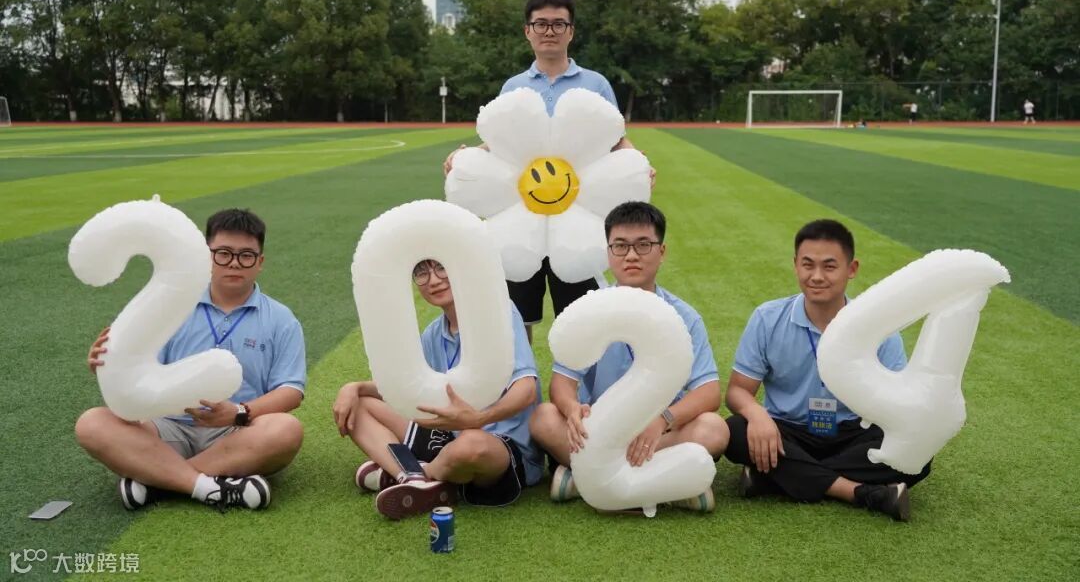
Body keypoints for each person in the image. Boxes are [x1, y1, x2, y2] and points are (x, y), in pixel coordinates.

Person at [444, 0, 650, 343]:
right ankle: (519, 379)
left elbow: (615, 139)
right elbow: (503, 145)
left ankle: (581, 380)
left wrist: (639, 164)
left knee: (584, 319)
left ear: (571, 31)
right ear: (528, 31)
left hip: (576, 220)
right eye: (541, 24)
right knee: (515, 319)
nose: (549, 31)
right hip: (521, 221)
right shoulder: (513, 87)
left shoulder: (596, 84)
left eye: (558, 24)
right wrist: (465, 158)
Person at [76, 209, 306, 511]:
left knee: (286, 430)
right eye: (224, 253)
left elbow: (291, 390)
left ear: (260, 262)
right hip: (167, 428)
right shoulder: (172, 307)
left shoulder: (281, 319)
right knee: (92, 424)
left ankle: (158, 479)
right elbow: (138, 372)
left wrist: (238, 413)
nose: (234, 263)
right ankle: (209, 486)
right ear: (207, 255)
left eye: (246, 256)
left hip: (237, 432)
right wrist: (108, 363)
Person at [723, 219, 930, 522]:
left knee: (919, 450)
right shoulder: (768, 318)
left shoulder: (878, 328)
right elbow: (738, 391)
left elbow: (898, 401)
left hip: (853, 433)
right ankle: (858, 492)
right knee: (735, 431)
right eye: (807, 265)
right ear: (795, 265)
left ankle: (773, 478)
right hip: (786, 432)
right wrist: (757, 415)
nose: (816, 276)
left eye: (829, 266)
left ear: (852, 269)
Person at [529, 202, 729, 512]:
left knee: (714, 429)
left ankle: (584, 480)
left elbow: (709, 391)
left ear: (661, 251)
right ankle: (671, 484)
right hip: (599, 430)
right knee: (543, 418)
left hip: (658, 433)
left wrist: (663, 421)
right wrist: (571, 408)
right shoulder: (590, 310)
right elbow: (562, 383)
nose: (631, 255)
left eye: (643, 245)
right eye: (620, 246)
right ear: (608, 253)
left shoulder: (684, 317)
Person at [333, 259, 543, 520]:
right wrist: (354, 388)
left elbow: (526, 390)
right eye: (421, 272)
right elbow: (405, 387)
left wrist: (478, 419)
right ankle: (413, 478)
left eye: (441, 267)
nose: (433, 280)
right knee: (359, 406)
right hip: (450, 436)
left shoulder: (498, 313)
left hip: (501, 449)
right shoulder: (433, 334)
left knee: (471, 445)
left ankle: (421, 473)